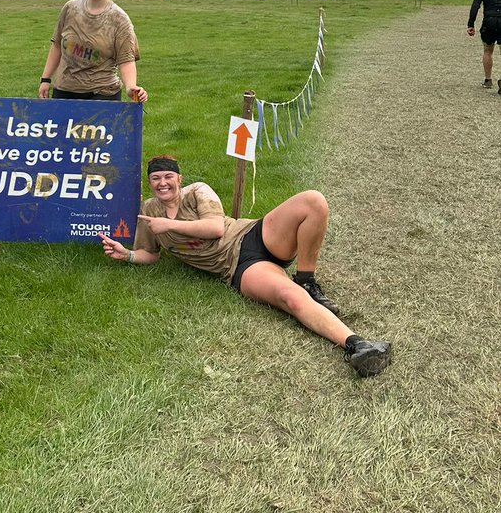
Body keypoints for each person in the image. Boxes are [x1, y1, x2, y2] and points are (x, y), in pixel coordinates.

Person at [100, 156, 392, 378]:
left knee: (313, 201)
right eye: (155, 178)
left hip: (252, 235)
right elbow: (150, 254)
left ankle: (306, 278)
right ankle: (359, 345)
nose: (162, 183)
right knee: (290, 298)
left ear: (179, 178)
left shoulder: (197, 192)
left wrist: (170, 225)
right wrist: (127, 255)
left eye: (168, 176)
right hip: (239, 267)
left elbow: (216, 228)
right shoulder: (149, 211)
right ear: (149, 183)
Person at [38, 0, 148, 102]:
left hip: (102, 94)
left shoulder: (120, 19)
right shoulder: (70, 8)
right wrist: (45, 79)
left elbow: (126, 60)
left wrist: (131, 87)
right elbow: (57, 45)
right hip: (64, 91)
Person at [467, 0, 501, 91]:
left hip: (489, 21)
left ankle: (488, 80)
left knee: (488, 51)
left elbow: (475, 6)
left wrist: (471, 24)